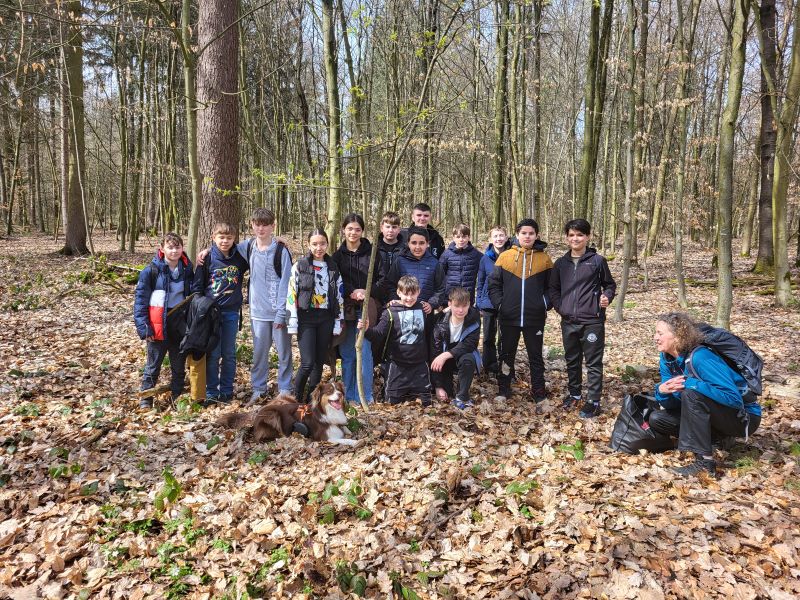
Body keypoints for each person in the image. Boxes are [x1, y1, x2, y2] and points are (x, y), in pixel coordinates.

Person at [651, 312, 762, 477]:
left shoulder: (701, 356)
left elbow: (732, 398)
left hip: (743, 417)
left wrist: (692, 383)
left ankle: (705, 464)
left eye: (660, 333)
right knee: (657, 419)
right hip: (713, 413)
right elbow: (674, 404)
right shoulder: (666, 359)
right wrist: (662, 392)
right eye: (655, 333)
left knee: (692, 394)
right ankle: (718, 439)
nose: (655, 337)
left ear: (677, 336)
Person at [549, 218, 616, 418]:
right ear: (567, 238)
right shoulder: (561, 263)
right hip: (568, 320)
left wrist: (607, 297)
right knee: (572, 360)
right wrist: (561, 308)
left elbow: (610, 285)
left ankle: (594, 401)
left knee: (593, 362)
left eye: (579, 235)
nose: (575, 238)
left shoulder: (597, 261)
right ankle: (575, 394)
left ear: (587, 237)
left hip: (592, 321)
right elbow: (553, 289)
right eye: (571, 235)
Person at [488, 218, 553, 406]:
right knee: (506, 355)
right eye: (523, 233)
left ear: (537, 235)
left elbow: (552, 287)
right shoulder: (505, 257)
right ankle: (504, 390)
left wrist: (544, 303)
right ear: (517, 235)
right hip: (509, 317)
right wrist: (501, 305)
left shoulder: (545, 259)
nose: (527, 236)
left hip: (535, 317)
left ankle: (539, 392)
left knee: (535, 356)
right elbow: (493, 285)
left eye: (531, 233)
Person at [134, 232, 195, 409]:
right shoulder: (151, 271)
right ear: (162, 249)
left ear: (182, 249)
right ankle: (146, 399)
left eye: (177, 247)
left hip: (180, 322)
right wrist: (145, 328)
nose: (174, 251)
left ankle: (177, 397)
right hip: (158, 322)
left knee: (178, 364)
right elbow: (141, 301)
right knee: (153, 365)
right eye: (170, 247)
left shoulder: (187, 269)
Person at [192, 222, 249, 404]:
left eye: (229, 238)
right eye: (221, 237)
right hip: (212, 315)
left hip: (231, 313)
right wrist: (203, 307)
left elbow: (259, 247)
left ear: (234, 239)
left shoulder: (239, 259)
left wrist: (278, 240)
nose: (225, 241)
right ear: (213, 238)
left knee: (229, 353)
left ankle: (226, 391)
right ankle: (211, 392)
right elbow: (197, 288)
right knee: (213, 354)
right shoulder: (207, 259)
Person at [286, 228, 345, 403]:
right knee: (307, 362)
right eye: (315, 244)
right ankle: (295, 398)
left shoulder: (333, 266)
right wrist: (292, 320)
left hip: (326, 318)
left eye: (322, 244)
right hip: (306, 318)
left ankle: (313, 399)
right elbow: (291, 293)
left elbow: (339, 294)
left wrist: (337, 321)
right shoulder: (300, 265)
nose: (319, 248)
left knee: (319, 361)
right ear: (309, 245)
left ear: (327, 244)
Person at [332, 213, 383, 405]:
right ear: (343, 230)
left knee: (365, 349)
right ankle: (348, 394)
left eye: (357, 229)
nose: (353, 233)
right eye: (350, 229)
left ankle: (365, 395)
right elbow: (334, 282)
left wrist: (366, 291)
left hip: (367, 307)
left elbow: (383, 280)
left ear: (362, 231)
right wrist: (351, 292)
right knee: (347, 353)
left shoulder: (372, 253)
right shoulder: (337, 256)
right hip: (346, 309)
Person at [359, 275, 432, 407]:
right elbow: (378, 333)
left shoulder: (423, 309)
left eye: (413, 294)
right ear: (398, 292)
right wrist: (366, 329)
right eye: (405, 294)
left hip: (419, 365)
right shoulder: (390, 312)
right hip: (397, 365)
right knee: (391, 403)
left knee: (426, 403)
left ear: (418, 292)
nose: (409, 298)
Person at [431, 287, 481, 409]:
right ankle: (444, 385)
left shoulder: (474, 317)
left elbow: (470, 344)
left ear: (469, 304)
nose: (460, 310)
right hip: (444, 361)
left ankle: (462, 396)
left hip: (460, 355)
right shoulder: (440, 321)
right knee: (446, 393)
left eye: (464, 306)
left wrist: (446, 354)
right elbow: (435, 352)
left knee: (468, 359)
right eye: (457, 306)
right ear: (450, 304)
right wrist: (438, 387)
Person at [379, 226, 446, 315]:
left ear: (427, 244)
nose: (417, 247)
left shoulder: (435, 264)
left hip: (425, 313)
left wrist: (431, 304)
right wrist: (395, 299)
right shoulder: (400, 261)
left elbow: (440, 288)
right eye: (414, 243)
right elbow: (390, 284)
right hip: (402, 311)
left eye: (421, 243)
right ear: (408, 243)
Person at [476, 226, 511, 375]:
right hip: (488, 302)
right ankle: (489, 365)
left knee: (505, 336)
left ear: (506, 237)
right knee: (489, 336)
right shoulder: (485, 258)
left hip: (506, 302)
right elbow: (481, 279)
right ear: (490, 239)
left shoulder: (511, 255)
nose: (499, 239)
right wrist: (478, 301)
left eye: (501, 235)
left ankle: (504, 365)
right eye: (495, 236)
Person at [439, 224, 483, 303]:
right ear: (453, 238)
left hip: (468, 297)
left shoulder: (476, 255)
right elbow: (439, 275)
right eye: (458, 237)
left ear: (469, 237)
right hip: (450, 297)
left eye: (464, 237)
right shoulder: (446, 254)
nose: (461, 240)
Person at [377, 211, 403, 283]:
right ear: (382, 228)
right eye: (387, 227)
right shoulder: (373, 248)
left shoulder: (405, 249)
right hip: (378, 289)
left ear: (399, 229)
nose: (390, 230)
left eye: (394, 227)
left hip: (399, 290)